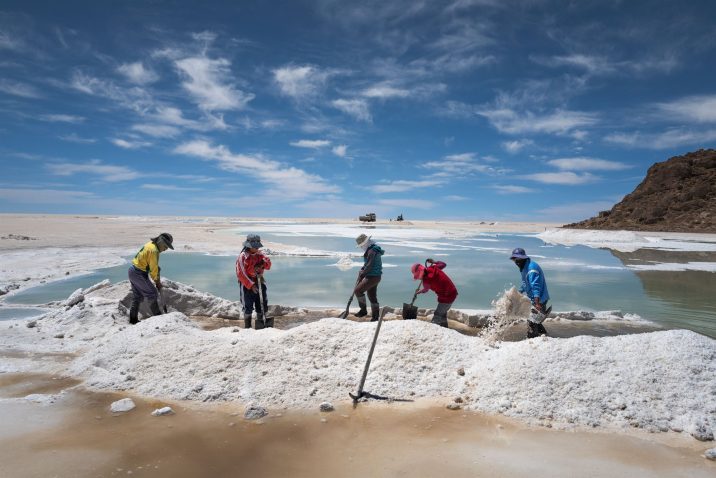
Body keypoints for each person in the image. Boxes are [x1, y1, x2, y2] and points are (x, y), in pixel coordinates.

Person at [128, 232, 174, 324]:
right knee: (152, 293)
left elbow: (150, 264)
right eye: (165, 246)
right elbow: (153, 270)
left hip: (132, 271)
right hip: (138, 273)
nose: (165, 249)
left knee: (137, 296)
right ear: (161, 241)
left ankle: (133, 320)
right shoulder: (154, 251)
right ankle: (158, 318)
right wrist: (158, 282)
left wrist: (156, 268)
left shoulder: (151, 244)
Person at [510, 247, 551, 338]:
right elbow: (525, 283)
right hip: (535, 299)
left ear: (523, 258)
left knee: (532, 322)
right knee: (536, 321)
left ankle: (532, 339)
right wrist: (518, 293)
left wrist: (537, 303)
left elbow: (535, 286)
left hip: (539, 300)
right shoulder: (524, 268)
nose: (516, 262)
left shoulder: (531, 268)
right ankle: (545, 336)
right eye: (515, 260)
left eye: (518, 260)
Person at [236, 234, 272, 329]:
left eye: (257, 246)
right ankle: (247, 327)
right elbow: (241, 274)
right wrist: (251, 285)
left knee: (262, 303)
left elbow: (268, 265)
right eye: (254, 247)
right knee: (247, 306)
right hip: (247, 284)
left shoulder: (260, 255)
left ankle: (261, 324)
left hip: (260, 281)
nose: (256, 248)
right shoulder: (243, 257)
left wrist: (263, 264)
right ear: (249, 246)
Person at [410, 258, 458, 328]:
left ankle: (433, 329)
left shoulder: (426, 281)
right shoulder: (434, 267)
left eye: (418, 276)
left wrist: (419, 292)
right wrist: (434, 262)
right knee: (442, 314)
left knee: (438, 314)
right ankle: (445, 329)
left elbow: (425, 290)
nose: (419, 278)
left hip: (447, 296)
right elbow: (443, 264)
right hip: (452, 292)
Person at [354, 234, 385, 321]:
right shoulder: (373, 249)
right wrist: (362, 269)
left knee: (358, 291)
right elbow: (367, 264)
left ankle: (363, 311)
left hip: (372, 276)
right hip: (375, 276)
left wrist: (362, 273)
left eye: (361, 245)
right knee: (372, 295)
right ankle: (375, 317)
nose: (361, 247)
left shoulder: (372, 251)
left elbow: (369, 266)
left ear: (365, 243)